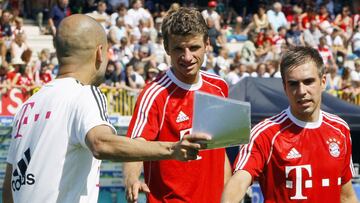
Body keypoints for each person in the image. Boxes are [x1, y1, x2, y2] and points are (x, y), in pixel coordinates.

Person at [2, 14, 211, 203]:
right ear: (100, 53)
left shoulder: (27, 106)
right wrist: (172, 149)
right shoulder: (84, 94)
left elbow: (10, 185)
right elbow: (101, 143)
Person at [221, 46, 358, 203]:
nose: (301, 91)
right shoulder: (265, 134)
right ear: (285, 88)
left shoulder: (340, 129)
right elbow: (238, 182)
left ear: (323, 82)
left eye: (308, 81)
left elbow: (346, 195)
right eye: (293, 84)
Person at [123, 7, 231, 203]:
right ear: (166, 48)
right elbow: (134, 147)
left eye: (194, 48)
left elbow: (219, 150)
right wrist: (131, 178)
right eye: (179, 49)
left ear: (207, 44)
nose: (187, 57)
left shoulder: (219, 86)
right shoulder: (154, 94)